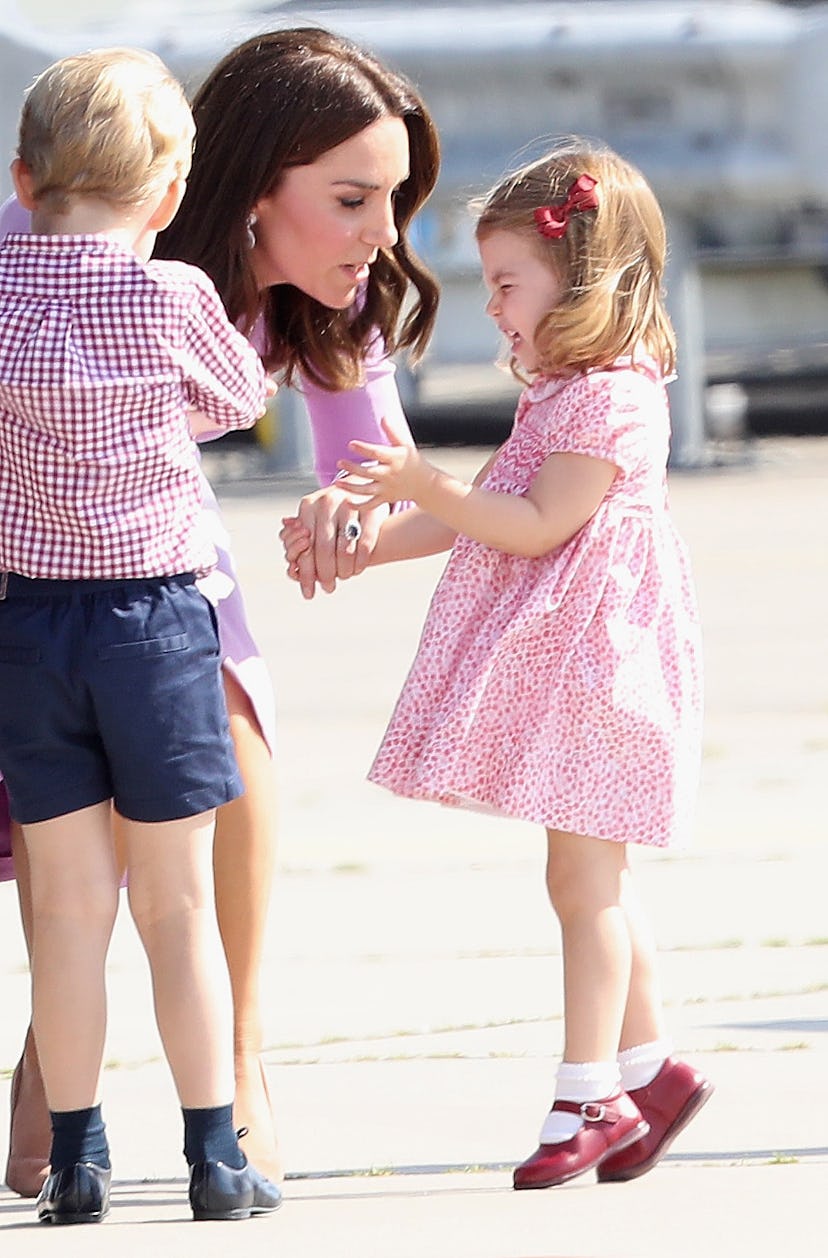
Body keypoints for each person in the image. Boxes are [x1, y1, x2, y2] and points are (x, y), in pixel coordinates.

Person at [1, 26, 440, 1197]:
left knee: (231, 758)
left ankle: (233, 1064)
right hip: (35, 574)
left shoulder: (337, 306)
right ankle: (64, 1045)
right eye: (352, 199)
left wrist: (346, 522)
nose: (381, 235)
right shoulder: (52, 253)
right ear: (242, 190)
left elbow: (396, 485)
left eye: (392, 199)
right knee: (90, 859)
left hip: (153, 574)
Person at [289, 137, 713, 1189]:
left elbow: (531, 523)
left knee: (584, 882)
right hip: (571, 667)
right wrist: (363, 546)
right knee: (591, 876)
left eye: (507, 285)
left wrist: (420, 483)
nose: (493, 308)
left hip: (602, 667)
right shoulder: (563, 390)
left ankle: (590, 1093)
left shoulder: (614, 396)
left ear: (580, 282)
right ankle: (650, 1069)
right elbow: (480, 514)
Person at [0, 47, 284, 1224]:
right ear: (168, 196)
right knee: (175, 905)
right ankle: (216, 1155)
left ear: (23, 180)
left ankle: (75, 1159)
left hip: (29, 621)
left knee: (65, 910)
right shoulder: (170, 294)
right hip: (157, 620)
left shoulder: (3, 289)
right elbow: (239, 401)